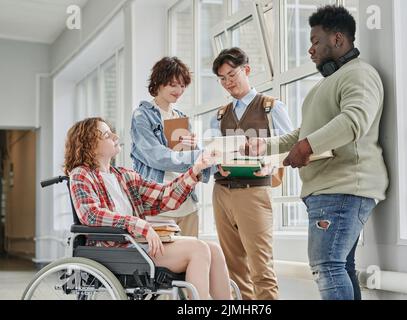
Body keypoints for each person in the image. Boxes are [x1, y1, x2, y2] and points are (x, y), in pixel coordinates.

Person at [247, 5, 389, 300]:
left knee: (326, 266)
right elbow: (304, 132)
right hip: (330, 190)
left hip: (343, 188)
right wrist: (267, 145)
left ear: (337, 40)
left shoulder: (359, 74)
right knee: (340, 266)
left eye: (315, 41)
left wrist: (306, 148)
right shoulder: (326, 86)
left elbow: (354, 121)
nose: (310, 50)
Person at [65, 117, 232, 300]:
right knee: (199, 249)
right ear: (89, 145)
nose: (114, 136)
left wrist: (196, 169)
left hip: (137, 245)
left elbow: (164, 197)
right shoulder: (81, 174)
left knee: (214, 249)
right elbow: (91, 214)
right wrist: (138, 224)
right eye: (106, 134)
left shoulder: (124, 176)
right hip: (116, 249)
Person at [210, 47, 293, 300]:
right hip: (221, 192)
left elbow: (291, 144)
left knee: (261, 268)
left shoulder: (270, 108)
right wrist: (216, 164)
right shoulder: (220, 114)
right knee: (234, 270)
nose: (228, 82)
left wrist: (271, 162)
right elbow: (212, 150)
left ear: (246, 70)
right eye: (222, 79)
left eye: (232, 74)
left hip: (254, 192)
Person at [131, 57, 208, 237]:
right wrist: (197, 155)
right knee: (164, 261)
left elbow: (192, 163)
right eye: (173, 85)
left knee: (193, 259)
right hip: (158, 203)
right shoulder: (142, 116)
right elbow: (155, 156)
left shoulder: (180, 116)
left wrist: (193, 147)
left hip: (187, 202)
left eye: (182, 86)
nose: (179, 91)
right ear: (159, 82)